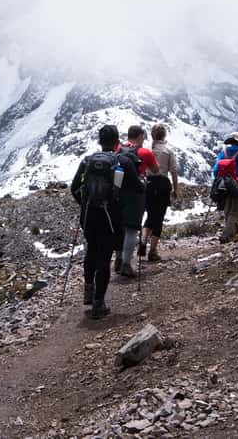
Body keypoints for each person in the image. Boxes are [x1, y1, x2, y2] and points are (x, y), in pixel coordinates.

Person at [70, 124, 139, 318]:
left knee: (91, 250)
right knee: (104, 256)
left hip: (88, 215)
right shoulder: (122, 161)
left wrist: (85, 204)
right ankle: (99, 303)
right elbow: (138, 187)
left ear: (100, 141)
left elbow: (74, 188)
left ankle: (88, 290)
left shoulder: (87, 161)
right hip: (110, 216)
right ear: (117, 141)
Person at [115, 125, 159, 277]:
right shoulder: (145, 152)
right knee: (131, 229)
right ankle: (126, 264)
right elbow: (156, 170)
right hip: (136, 193)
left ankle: (118, 259)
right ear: (140, 136)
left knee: (119, 227)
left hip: (118, 191)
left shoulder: (118, 150)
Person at [142, 124, 179, 262]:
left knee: (150, 216)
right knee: (159, 218)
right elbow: (174, 172)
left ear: (152, 135)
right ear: (164, 135)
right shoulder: (168, 151)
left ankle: (143, 241)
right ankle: (152, 251)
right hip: (163, 184)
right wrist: (175, 189)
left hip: (149, 184)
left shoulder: (147, 151)